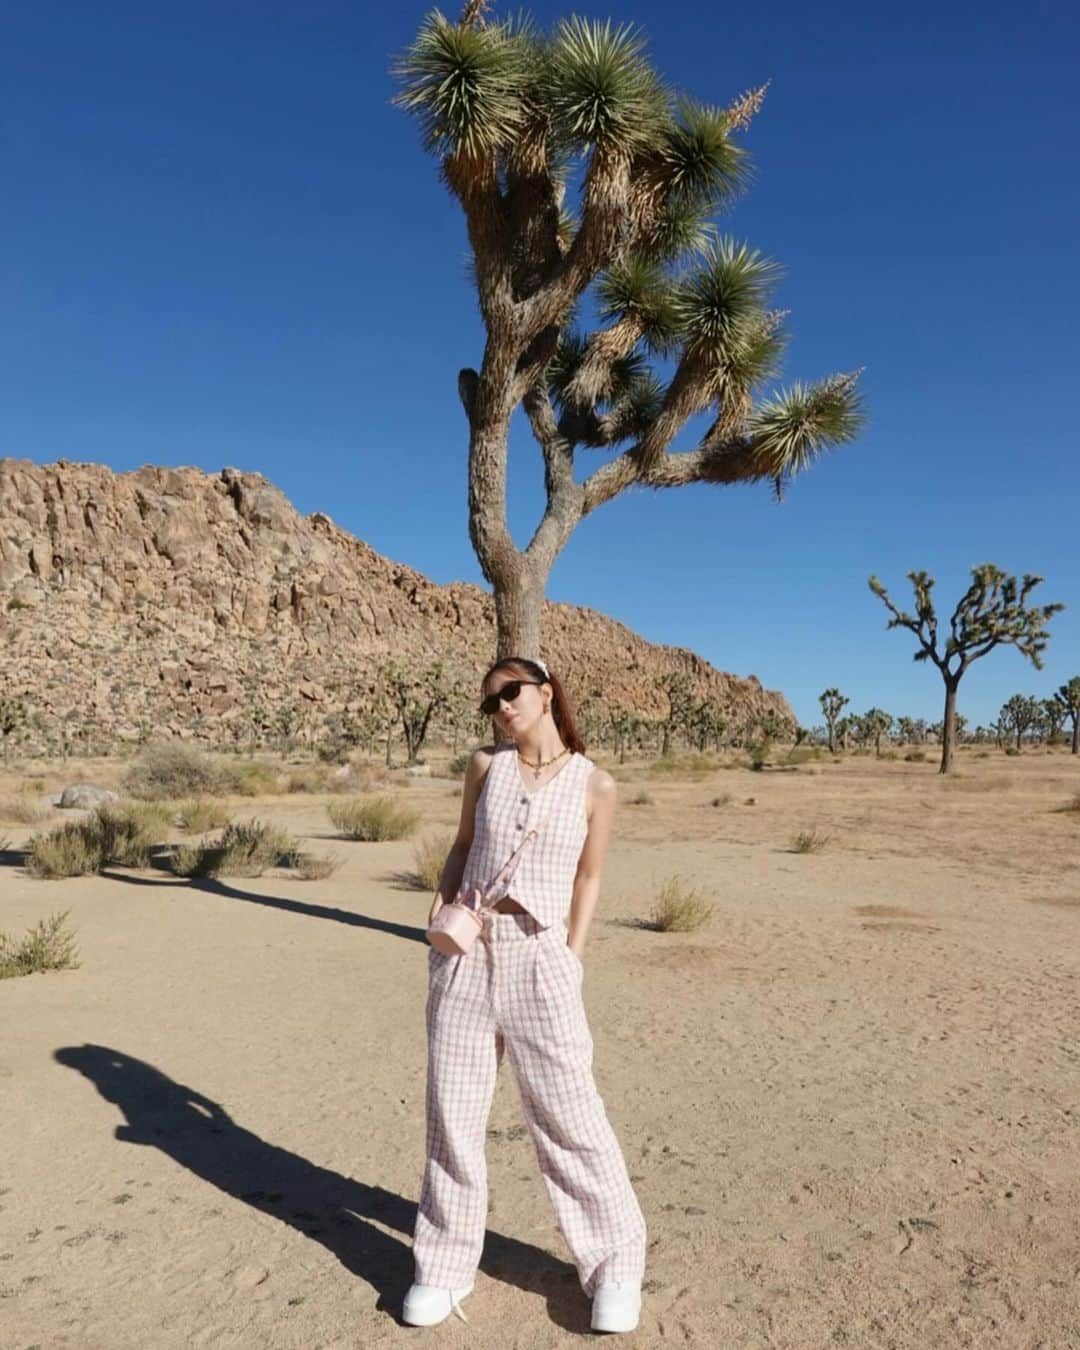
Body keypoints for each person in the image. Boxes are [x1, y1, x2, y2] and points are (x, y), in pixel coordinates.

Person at [403, 655, 648, 1332]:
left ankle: (616, 1265)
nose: (501, 707)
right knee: (451, 1117)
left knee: (570, 1116)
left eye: (510, 694)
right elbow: (461, 844)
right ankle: (443, 1266)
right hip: (466, 956)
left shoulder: (595, 784)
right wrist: (439, 906)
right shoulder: (486, 768)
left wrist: (571, 956)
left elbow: (589, 878)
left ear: (545, 693)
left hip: (542, 959)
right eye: (490, 702)